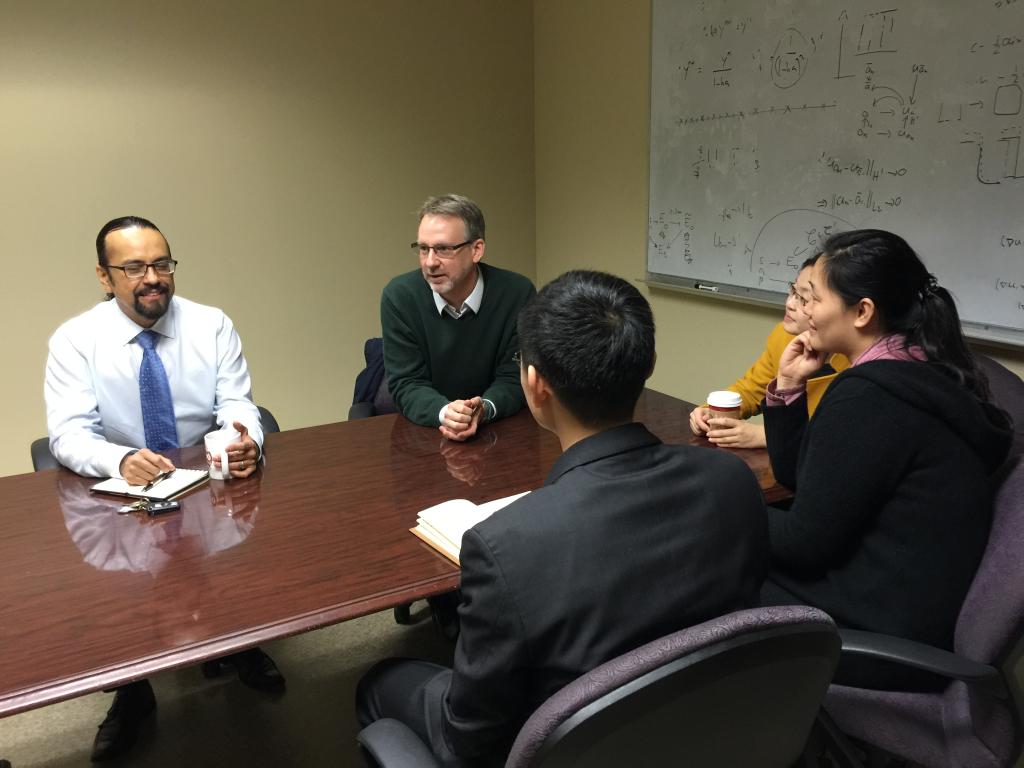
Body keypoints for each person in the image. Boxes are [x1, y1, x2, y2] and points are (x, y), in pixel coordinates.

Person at [357, 270, 768, 766]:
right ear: (650, 365)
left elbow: (468, 739)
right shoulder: (732, 480)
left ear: (534, 384)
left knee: (378, 682)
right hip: (710, 727)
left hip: (564, 746)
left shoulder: (505, 545)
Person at [44, 216, 285, 761]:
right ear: (105, 277)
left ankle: (240, 645)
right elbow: (68, 434)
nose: (152, 278)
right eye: (134, 267)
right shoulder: (76, 340)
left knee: (239, 557)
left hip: (208, 483)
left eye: (161, 264)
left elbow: (238, 402)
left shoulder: (211, 325)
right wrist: (120, 459)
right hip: (123, 494)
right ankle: (132, 689)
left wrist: (245, 439)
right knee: (120, 585)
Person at [760, 229, 1012, 689]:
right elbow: (803, 476)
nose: (802, 310)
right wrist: (791, 386)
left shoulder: (872, 397)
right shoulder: (921, 370)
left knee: (708, 576)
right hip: (900, 612)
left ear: (862, 312)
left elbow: (803, 544)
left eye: (812, 298)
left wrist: (723, 506)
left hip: (875, 635)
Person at [381, 194, 535, 442]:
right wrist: (446, 413)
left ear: (476, 250)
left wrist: (485, 408)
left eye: (443, 249)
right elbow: (407, 383)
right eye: (423, 249)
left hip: (501, 431)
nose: (430, 262)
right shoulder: (399, 296)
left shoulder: (517, 293)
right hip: (426, 436)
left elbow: (516, 377)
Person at [689, 256, 850, 449]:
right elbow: (752, 388)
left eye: (805, 299)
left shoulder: (857, 360)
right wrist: (711, 411)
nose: (790, 303)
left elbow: (841, 434)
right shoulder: (785, 336)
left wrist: (765, 435)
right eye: (793, 291)